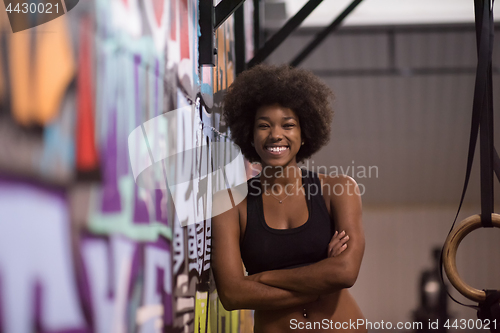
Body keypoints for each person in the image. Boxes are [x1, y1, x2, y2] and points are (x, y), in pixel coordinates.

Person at [212, 64, 366, 332]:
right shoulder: (229, 203)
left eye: (288, 125)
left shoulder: (339, 189)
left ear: (304, 133)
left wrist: (262, 278)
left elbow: (345, 272)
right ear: (249, 134)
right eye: (263, 125)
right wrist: (319, 280)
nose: (275, 135)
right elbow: (232, 294)